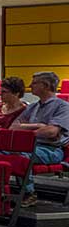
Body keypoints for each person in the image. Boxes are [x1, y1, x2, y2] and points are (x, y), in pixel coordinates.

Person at [14, 71, 69, 207]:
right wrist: (39, 126)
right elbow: (13, 127)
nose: (30, 85)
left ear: (45, 85)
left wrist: (25, 128)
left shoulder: (63, 107)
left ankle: (29, 193)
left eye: (34, 83)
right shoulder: (32, 107)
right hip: (30, 145)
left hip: (51, 150)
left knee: (21, 155)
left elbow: (51, 132)